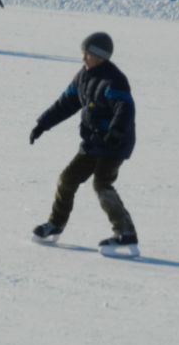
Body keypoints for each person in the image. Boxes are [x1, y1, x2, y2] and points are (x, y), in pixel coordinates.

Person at [29, 32, 139, 257]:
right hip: (92, 142)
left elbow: (125, 109)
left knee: (102, 184)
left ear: (99, 56)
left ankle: (125, 233)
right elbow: (66, 103)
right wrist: (42, 124)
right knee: (67, 179)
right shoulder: (83, 76)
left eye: (86, 54)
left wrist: (115, 132)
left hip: (115, 144)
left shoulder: (114, 80)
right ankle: (55, 224)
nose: (83, 58)